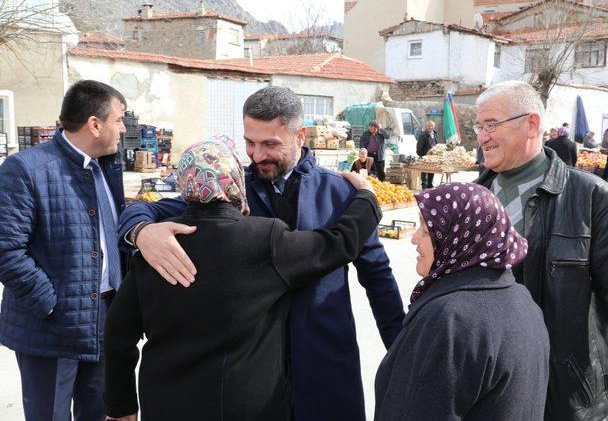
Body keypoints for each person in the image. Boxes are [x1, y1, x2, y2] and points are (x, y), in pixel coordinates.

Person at [117, 86, 405, 421]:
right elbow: (147, 211)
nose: (257, 155)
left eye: (270, 144)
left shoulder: (340, 193)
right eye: (250, 143)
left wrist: (400, 351)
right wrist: (141, 232)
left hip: (323, 366)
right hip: (253, 382)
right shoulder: (229, 189)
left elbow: (378, 277)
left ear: (299, 136)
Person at [474, 80, 608, 420]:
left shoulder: (593, 199)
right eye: (478, 126)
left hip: (565, 396)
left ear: (532, 124)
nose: (482, 136)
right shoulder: (473, 200)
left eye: (491, 125)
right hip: (484, 390)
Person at [0, 80, 127, 420]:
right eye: (119, 118)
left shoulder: (106, 166)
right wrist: (51, 304)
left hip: (102, 318)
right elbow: (7, 251)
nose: (123, 128)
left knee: (97, 413)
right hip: (50, 325)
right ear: (95, 124)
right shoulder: (26, 169)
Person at [375, 183, 549, 421]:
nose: (415, 239)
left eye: (426, 231)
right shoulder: (524, 301)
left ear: (459, 238)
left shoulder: (449, 320)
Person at [416, 120, 439, 189]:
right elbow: (419, 146)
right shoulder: (423, 135)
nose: (430, 127)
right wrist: (423, 154)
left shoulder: (435, 134)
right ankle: (424, 184)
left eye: (432, 126)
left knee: (432, 169)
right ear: (427, 126)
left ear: (434, 127)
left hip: (432, 156)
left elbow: (436, 144)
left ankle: (430, 183)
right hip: (425, 156)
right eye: (429, 126)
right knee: (424, 169)